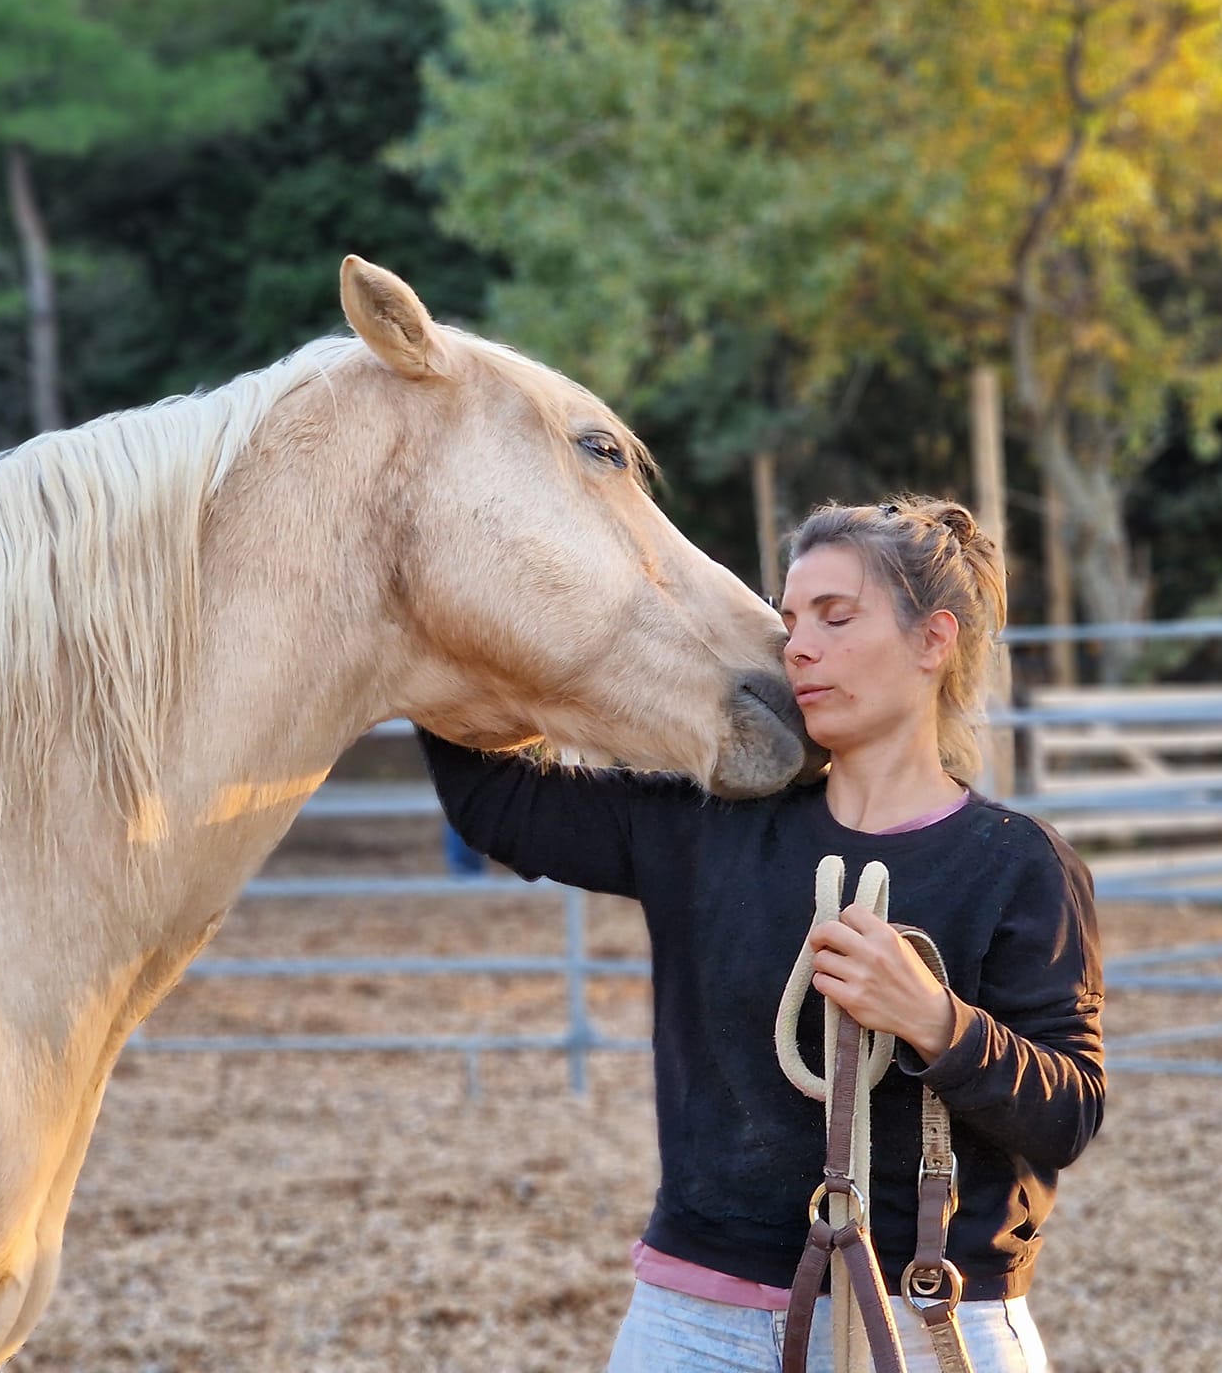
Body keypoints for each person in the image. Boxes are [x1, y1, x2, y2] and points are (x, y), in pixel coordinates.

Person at [421, 496, 1105, 1373]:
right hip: (692, 1321)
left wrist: (936, 1021)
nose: (799, 648)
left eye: (836, 617)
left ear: (934, 641)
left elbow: (1069, 1113)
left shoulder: (1019, 866)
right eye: (790, 621)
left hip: (934, 1324)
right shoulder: (709, 827)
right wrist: (431, 621)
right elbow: (498, 802)